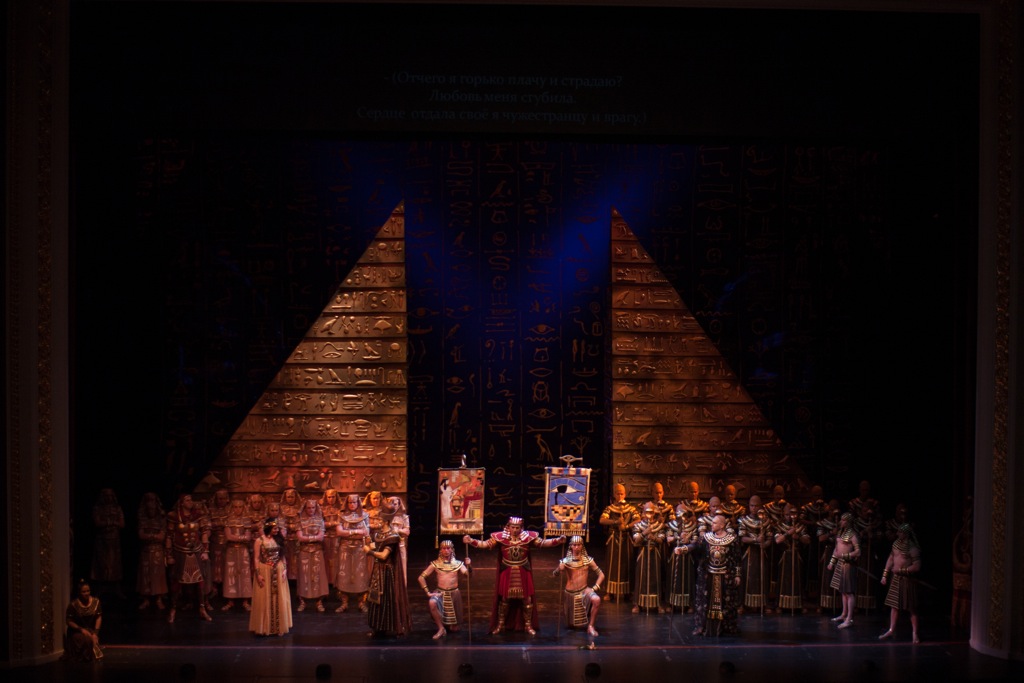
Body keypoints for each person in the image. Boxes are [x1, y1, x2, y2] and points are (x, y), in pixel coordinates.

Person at [464, 516, 565, 635]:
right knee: (504, 598)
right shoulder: (501, 537)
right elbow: (485, 544)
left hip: (523, 571)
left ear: (521, 527)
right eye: (513, 527)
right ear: (509, 527)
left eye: (517, 527)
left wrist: (558, 540)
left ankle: (528, 625)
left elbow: (543, 543)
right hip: (507, 571)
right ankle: (500, 624)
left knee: (527, 599)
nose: (515, 530)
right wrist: (471, 541)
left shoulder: (528, 537)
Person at [678, 514, 743, 636]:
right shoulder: (706, 538)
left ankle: (725, 627)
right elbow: (696, 546)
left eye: (714, 523)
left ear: (722, 525)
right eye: (712, 522)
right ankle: (704, 627)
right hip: (708, 575)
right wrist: (684, 549)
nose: (711, 525)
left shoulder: (732, 539)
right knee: (706, 602)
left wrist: (738, 575)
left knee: (726, 602)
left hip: (726, 576)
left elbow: (737, 558)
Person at [165, 493, 213, 623]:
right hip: (180, 552)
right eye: (187, 500)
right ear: (181, 503)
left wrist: (205, 551)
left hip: (196, 551)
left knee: (200, 580)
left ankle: (202, 608)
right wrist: (169, 555)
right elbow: (169, 536)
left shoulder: (198, 515)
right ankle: (173, 609)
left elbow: (204, 533)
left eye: (191, 500)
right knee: (177, 581)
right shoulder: (174, 516)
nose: (190, 502)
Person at [364, 508, 411, 637]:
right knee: (375, 598)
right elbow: (376, 546)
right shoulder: (378, 535)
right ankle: (377, 627)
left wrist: (369, 552)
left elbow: (384, 555)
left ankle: (389, 626)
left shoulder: (392, 537)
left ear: (385, 521)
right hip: (377, 570)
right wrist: (369, 544)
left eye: (379, 519)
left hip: (386, 572)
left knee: (386, 599)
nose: (377, 521)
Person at [418, 540, 472, 639]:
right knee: (432, 603)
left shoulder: (458, 564)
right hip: (440, 593)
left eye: (448, 548)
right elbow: (421, 578)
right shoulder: (435, 564)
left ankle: (448, 625)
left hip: (454, 594)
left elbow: (468, 575)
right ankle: (441, 628)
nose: (446, 550)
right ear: (441, 550)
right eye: (444, 548)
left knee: (454, 629)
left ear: (452, 550)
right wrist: (428, 592)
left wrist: (469, 566)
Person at [552, 536, 605, 637]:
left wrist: (595, 588)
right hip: (570, 593)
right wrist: (559, 568)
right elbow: (554, 574)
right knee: (571, 625)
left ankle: (591, 626)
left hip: (584, 590)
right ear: (571, 546)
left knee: (596, 600)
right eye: (574, 545)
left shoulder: (588, 560)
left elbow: (601, 574)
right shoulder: (565, 561)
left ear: (582, 546)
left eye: (579, 545)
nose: (576, 547)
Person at [879, 523, 922, 643]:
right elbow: (890, 559)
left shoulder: (912, 548)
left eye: (900, 532)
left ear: (906, 534)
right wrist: (885, 575)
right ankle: (891, 629)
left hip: (907, 580)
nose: (897, 534)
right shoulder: (896, 544)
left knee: (911, 608)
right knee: (894, 606)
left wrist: (901, 570)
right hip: (895, 579)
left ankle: (915, 633)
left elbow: (917, 566)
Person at [249, 517, 293, 636]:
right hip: (265, 570)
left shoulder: (278, 540)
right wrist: (258, 574)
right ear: (269, 528)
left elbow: (282, 556)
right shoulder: (259, 541)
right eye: (275, 528)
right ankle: (265, 627)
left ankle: (279, 627)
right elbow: (256, 558)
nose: (277, 530)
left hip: (278, 570)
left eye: (277, 528)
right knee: (265, 597)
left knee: (279, 597)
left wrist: (285, 569)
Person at [597, 483, 639, 602]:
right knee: (612, 564)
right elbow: (602, 520)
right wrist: (615, 522)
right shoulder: (610, 508)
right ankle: (610, 592)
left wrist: (627, 526)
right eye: (618, 494)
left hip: (626, 539)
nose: (620, 496)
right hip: (614, 538)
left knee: (627, 564)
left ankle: (627, 592)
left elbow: (638, 520)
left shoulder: (631, 509)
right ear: (614, 495)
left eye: (622, 494)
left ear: (625, 494)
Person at [335, 493, 371, 612]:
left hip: (360, 549)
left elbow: (366, 532)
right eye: (350, 502)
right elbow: (339, 532)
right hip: (345, 548)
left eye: (354, 502)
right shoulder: (341, 515)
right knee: (344, 575)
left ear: (358, 503)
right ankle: (344, 603)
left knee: (360, 575)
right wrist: (356, 532)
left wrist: (348, 532)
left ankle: (361, 603)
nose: (352, 504)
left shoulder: (364, 515)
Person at [631, 501, 669, 614]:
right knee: (641, 577)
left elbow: (661, 540)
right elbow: (636, 540)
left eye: (651, 512)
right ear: (643, 513)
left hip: (655, 553)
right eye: (647, 512)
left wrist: (654, 537)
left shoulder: (659, 526)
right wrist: (644, 533)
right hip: (643, 552)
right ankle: (637, 603)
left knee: (656, 578)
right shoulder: (638, 525)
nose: (649, 515)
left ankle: (657, 604)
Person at [826, 512, 861, 629]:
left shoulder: (853, 535)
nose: (841, 522)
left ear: (849, 522)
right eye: (841, 520)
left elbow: (858, 552)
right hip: (840, 564)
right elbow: (836, 550)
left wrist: (845, 556)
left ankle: (849, 619)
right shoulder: (840, 533)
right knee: (843, 591)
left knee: (849, 592)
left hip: (848, 565)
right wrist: (832, 562)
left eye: (844, 520)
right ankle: (843, 614)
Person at [774, 503, 810, 612]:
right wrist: (788, 534)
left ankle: (799, 604)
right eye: (787, 514)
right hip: (784, 556)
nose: (789, 517)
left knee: (798, 580)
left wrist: (797, 536)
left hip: (797, 555)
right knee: (783, 580)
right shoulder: (779, 525)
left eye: (791, 514)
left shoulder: (800, 526)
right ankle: (780, 604)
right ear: (783, 514)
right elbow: (777, 540)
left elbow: (807, 540)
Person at [135, 491, 168, 611]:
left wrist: (150, 536)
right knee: (145, 575)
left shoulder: (161, 519)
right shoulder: (142, 519)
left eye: (152, 501)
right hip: (145, 551)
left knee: (158, 575)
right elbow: (141, 535)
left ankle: (159, 599)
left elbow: (162, 537)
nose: (151, 508)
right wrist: (154, 536)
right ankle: (146, 599)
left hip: (158, 550)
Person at [296, 497, 329, 612]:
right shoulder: (300, 521)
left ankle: (319, 602)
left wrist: (307, 538)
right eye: (308, 508)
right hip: (304, 551)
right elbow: (300, 538)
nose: (311, 510)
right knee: (303, 576)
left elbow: (321, 538)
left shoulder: (320, 521)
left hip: (317, 551)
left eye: (313, 508)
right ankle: (302, 602)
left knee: (318, 576)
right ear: (305, 508)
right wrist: (314, 538)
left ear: (316, 508)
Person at [738, 494, 771, 613]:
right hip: (749, 553)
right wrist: (755, 539)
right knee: (746, 578)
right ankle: (742, 604)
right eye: (752, 505)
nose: (754, 508)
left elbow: (769, 538)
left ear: (760, 506)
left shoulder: (765, 521)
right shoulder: (743, 520)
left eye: (756, 506)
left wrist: (765, 544)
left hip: (761, 552)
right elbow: (742, 538)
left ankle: (764, 604)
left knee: (763, 577)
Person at [90, 488, 125, 597]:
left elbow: (122, 524)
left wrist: (108, 523)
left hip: (114, 541)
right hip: (102, 540)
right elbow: (97, 523)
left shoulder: (117, 509)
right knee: (102, 563)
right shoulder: (98, 509)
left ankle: (116, 588)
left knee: (115, 564)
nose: (108, 498)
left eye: (110, 496)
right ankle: (100, 588)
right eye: (106, 496)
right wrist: (112, 522)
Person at [221, 497, 253, 611]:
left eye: (240, 507)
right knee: (231, 574)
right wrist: (241, 538)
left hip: (243, 550)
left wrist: (237, 538)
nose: (238, 509)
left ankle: (246, 601)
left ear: (243, 508)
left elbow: (248, 537)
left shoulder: (247, 520)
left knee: (245, 574)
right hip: (231, 550)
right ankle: (230, 601)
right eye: (235, 507)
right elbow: (228, 537)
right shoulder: (228, 520)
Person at [667, 503, 698, 612]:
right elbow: (668, 538)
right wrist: (678, 538)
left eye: (683, 513)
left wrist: (688, 540)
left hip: (688, 555)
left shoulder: (692, 526)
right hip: (675, 555)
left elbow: (695, 541)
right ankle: (671, 603)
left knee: (688, 579)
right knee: (673, 579)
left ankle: (689, 604)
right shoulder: (672, 525)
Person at [65, 579, 103, 662]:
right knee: (86, 640)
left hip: (90, 629)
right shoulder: (73, 604)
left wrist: (95, 633)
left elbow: (98, 617)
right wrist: (81, 629)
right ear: (79, 592)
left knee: (93, 638)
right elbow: (69, 621)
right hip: (77, 631)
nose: (86, 593)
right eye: (84, 592)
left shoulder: (96, 602)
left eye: (88, 591)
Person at [206, 488, 232, 607]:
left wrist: (219, 524)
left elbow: (232, 524)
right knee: (215, 565)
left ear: (227, 499)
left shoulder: (231, 510)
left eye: (223, 498)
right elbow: (208, 525)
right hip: (215, 541)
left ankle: (227, 589)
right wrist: (221, 524)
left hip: (228, 542)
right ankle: (214, 588)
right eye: (219, 499)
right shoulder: (211, 510)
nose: (221, 501)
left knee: (227, 565)